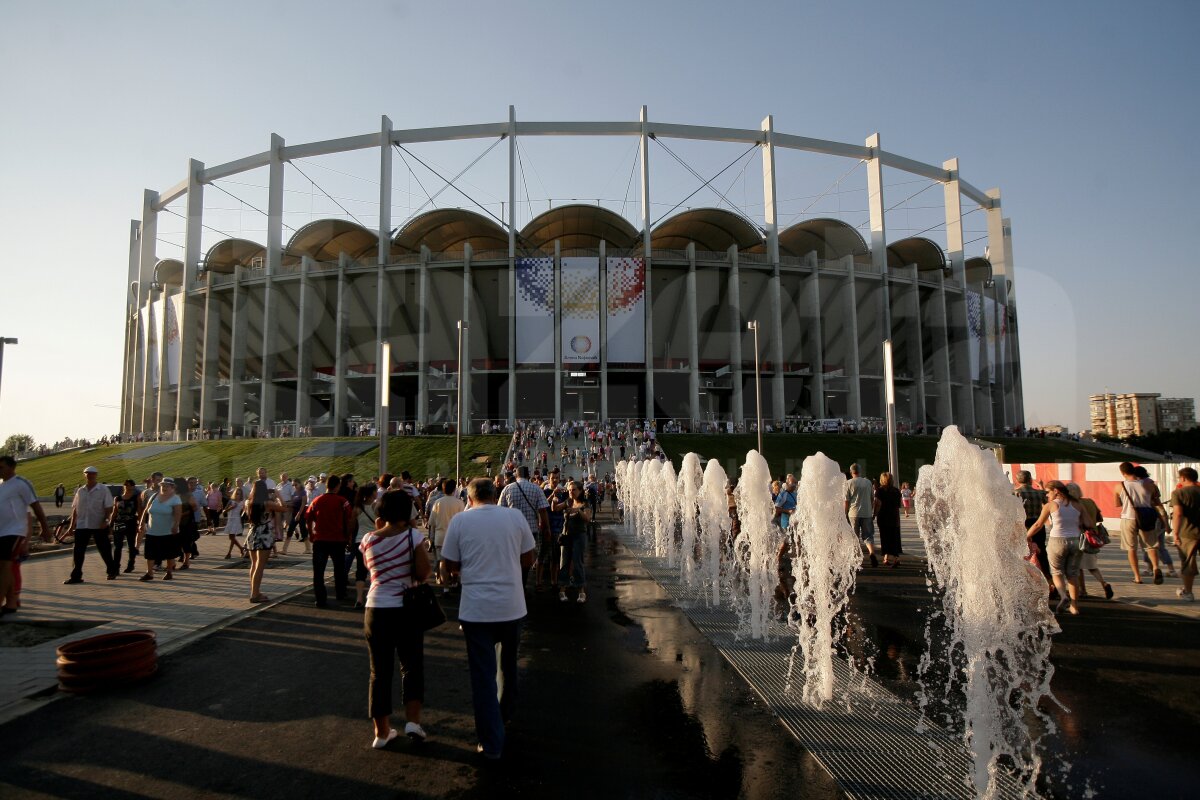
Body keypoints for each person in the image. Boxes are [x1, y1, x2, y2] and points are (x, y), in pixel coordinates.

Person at [441, 478, 537, 760]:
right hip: (511, 606)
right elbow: (529, 558)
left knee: (483, 676)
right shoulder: (514, 517)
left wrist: (469, 568)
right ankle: (503, 715)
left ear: (469, 498)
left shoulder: (461, 521)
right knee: (509, 667)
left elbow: (451, 564)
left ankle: (492, 741)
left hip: (476, 609)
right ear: (496, 495)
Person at [361, 489, 432, 748]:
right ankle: (413, 721)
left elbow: (371, 569)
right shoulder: (413, 537)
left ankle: (381, 733)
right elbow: (423, 573)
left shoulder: (368, 539)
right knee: (411, 666)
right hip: (405, 607)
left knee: (378, 672)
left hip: (375, 607)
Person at [1026, 480, 1093, 615]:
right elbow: (1089, 524)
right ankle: (1074, 607)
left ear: (1056, 491)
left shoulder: (1051, 505)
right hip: (1076, 541)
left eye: (1048, 492)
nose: (1046, 495)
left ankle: (1063, 596)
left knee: (1056, 572)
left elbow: (1038, 525)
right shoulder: (1078, 505)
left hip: (1057, 541)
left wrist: (1027, 536)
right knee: (1072, 574)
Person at [0, 456, 50, 613]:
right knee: (6, 567)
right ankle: (11, 602)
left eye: (1, 467)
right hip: (2, 532)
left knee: (5, 566)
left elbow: (35, 506)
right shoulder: (2, 485)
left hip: (14, 531)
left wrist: (45, 527)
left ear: (12, 467)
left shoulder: (21, 483)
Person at [1114, 461, 1166, 585]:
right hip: (1146, 517)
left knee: (1131, 548)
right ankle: (1155, 568)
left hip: (1128, 518)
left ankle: (1137, 577)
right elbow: (1155, 500)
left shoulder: (1119, 486)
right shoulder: (1148, 484)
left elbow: (1117, 504)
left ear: (1123, 473)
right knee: (1150, 545)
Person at [498, 466, 549, 588]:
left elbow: (500, 511)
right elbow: (543, 510)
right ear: (528, 475)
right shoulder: (536, 488)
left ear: (516, 475)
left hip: (512, 530)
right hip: (530, 530)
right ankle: (523, 585)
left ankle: (514, 584)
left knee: (514, 559)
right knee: (527, 561)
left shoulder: (507, 488)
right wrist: (547, 528)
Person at [307, 473, 353, 608]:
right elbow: (349, 521)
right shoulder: (343, 501)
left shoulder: (316, 500)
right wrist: (349, 537)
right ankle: (340, 592)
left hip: (320, 540)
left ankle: (320, 599)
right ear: (338, 486)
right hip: (338, 540)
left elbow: (308, 517)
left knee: (318, 571)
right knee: (339, 568)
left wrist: (311, 534)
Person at [66, 466, 117, 583]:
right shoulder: (80, 490)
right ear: (84, 475)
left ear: (96, 475)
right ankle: (76, 575)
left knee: (104, 549)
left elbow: (109, 507)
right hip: (82, 524)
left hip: (98, 524)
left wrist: (106, 520)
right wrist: (71, 525)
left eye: (92, 474)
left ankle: (112, 570)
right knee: (78, 551)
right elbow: (75, 509)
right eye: (87, 474)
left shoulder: (103, 489)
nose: (90, 476)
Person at [1066, 482, 1113, 600]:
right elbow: (1100, 518)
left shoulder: (1073, 504)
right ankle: (1104, 583)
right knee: (1092, 566)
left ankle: (1083, 590)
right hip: (1092, 536)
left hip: (1080, 537)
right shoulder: (1090, 501)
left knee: (1078, 566)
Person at [136, 477, 181, 582]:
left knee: (169, 554)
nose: (164, 487)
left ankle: (169, 572)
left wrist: (175, 525)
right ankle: (149, 573)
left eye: (167, 486)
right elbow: (146, 510)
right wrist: (141, 523)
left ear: (172, 487)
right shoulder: (154, 496)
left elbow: (178, 514)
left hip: (168, 532)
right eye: (162, 485)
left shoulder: (175, 499)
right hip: (152, 530)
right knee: (150, 554)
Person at [245, 478, 282, 602]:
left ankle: (254, 591)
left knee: (254, 564)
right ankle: (255, 594)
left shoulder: (248, 503)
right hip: (264, 533)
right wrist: (278, 495)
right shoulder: (267, 503)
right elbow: (284, 508)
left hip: (252, 532)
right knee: (260, 566)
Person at [1015, 471, 1052, 592]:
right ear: (1030, 479)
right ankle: (1048, 580)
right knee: (1041, 551)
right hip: (1038, 525)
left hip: (1023, 524)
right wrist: (1041, 487)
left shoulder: (1015, 493)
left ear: (1017, 480)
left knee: (1023, 553)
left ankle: (1028, 582)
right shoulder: (1039, 493)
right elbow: (1048, 504)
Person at [426, 478, 464, 587]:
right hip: (455, 537)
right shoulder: (459, 503)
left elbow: (432, 522)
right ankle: (454, 581)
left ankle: (445, 587)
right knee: (455, 560)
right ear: (454, 489)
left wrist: (431, 538)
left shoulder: (438, 503)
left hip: (440, 536)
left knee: (442, 562)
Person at [559, 481, 591, 603]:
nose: (571, 492)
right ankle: (562, 589)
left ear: (580, 491)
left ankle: (581, 591)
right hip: (566, 535)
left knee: (578, 562)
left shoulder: (585, 503)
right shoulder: (568, 501)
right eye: (569, 490)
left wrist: (577, 510)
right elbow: (555, 508)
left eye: (573, 490)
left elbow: (587, 518)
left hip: (579, 535)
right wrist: (553, 499)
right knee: (564, 562)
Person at [1171, 467, 1200, 602]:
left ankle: (1188, 592)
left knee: (1188, 563)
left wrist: (1175, 533)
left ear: (1183, 478)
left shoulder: (1179, 493)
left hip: (1187, 532)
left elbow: (1178, 514)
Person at [844, 464, 879, 567]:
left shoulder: (848, 483)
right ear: (860, 471)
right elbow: (872, 498)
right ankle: (871, 552)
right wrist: (871, 510)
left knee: (854, 536)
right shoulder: (868, 482)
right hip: (867, 513)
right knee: (868, 536)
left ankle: (856, 558)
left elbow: (846, 501)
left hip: (853, 513)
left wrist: (845, 513)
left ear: (851, 472)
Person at [352, 483, 378, 609]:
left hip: (360, 541)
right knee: (376, 569)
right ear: (372, 493)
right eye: (375, 490)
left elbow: (352, 526)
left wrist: (349, 540)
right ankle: (373, 596)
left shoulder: (357, 508)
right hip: (375, 541)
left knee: (360, 570)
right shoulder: (377, 506)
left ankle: (359, 598)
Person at [110, 480, 141, 574]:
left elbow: (139, 511)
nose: (128, 487)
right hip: (118, 523)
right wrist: (110, 524)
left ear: (133, 487)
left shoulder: (136, 498)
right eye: (126, 485)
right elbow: (114, 512)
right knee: (117, 546)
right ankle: (116, 567)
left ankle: (131, 564)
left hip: (131, 523)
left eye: (130, 485)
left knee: (131, 545)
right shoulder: (117, 498)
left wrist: (140, 523)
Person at [875, 472, 903, 567]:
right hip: (894, 517)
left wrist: (874, 514)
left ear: (882, 480)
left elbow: (878, 504)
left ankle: (886, 557)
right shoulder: (896, 491)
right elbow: (899, 505)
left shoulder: (880, 490)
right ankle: (895, 558)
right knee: (894, 537)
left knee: (884, 537)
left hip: (883, 516)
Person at [223, 486, 248, 559]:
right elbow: (224, 511)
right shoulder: (231, 501)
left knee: (232, 537)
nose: (237, 495)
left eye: (239, 494)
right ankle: (241, 549)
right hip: (230, 520)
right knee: (231, 538)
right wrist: (231, 508)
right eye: (236, 493)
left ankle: (229, 553)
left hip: (236, 520)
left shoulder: (242, 502)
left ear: (241, 495)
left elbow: (245, 512)